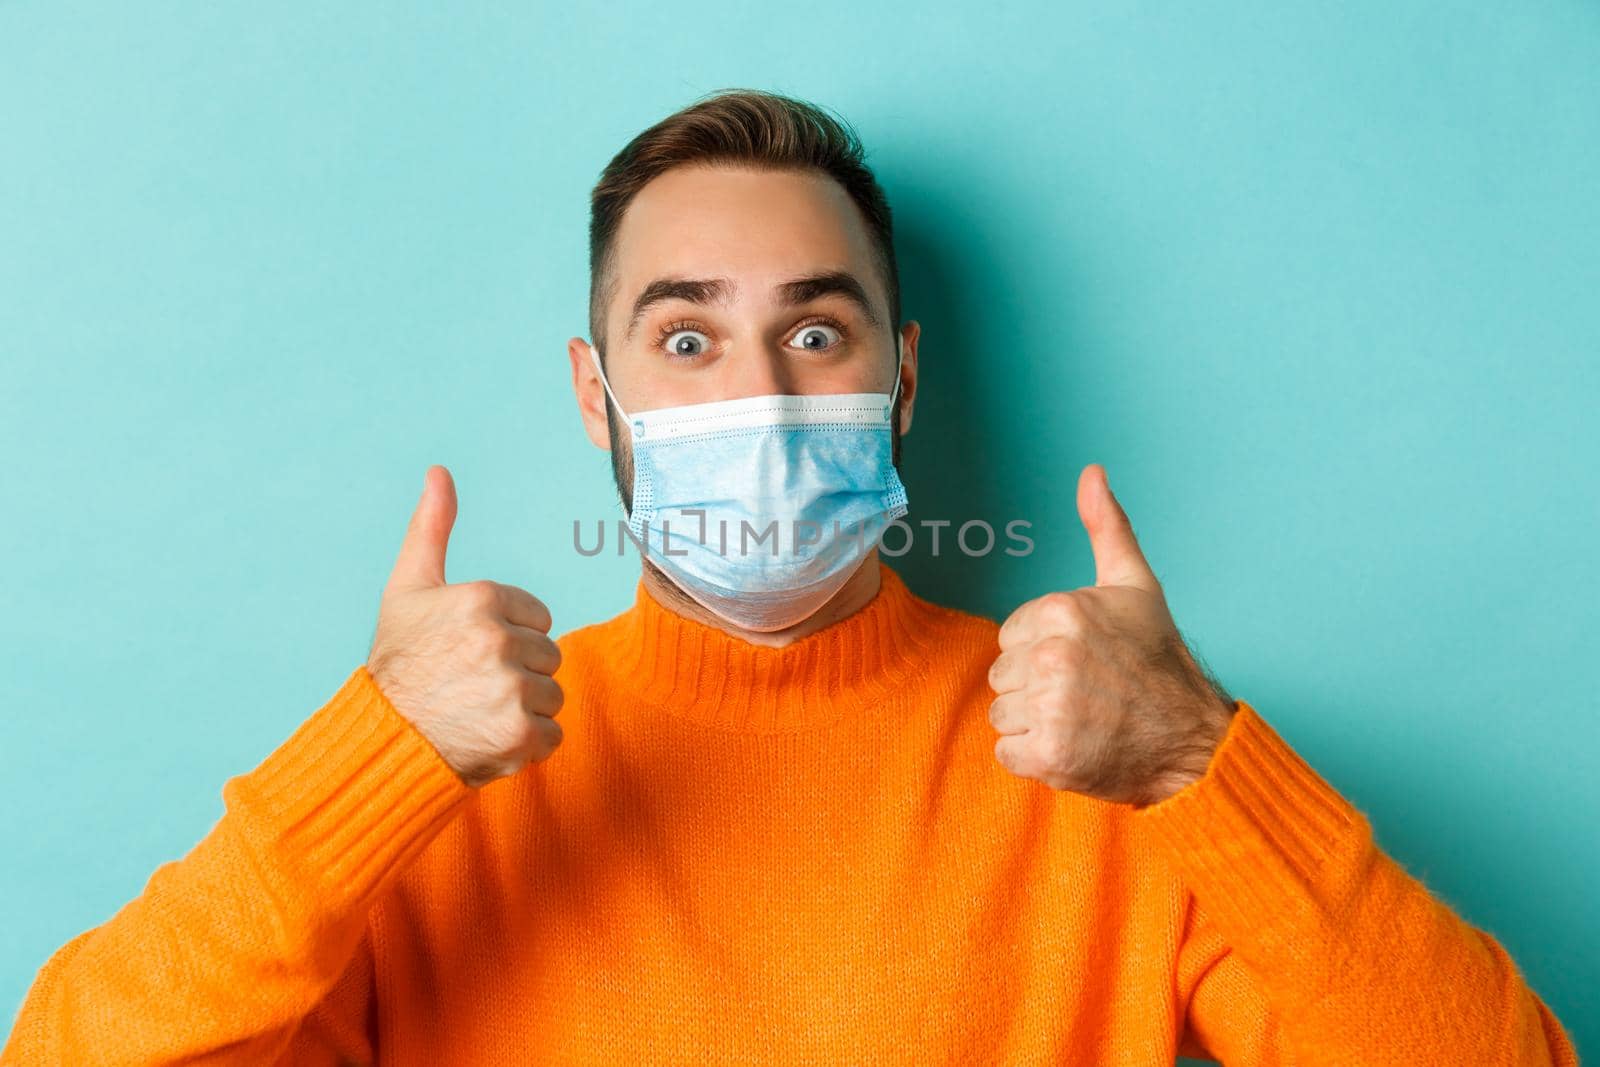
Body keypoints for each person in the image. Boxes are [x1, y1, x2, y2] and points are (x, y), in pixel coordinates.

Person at [1, 88, 1577, 1066]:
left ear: (897, 378)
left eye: (812, 334)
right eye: (684, 340)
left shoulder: (1099, 751)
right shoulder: (436, 780)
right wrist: (368, 765)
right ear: (591, 391)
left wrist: (1197, 764)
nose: (755, 390)